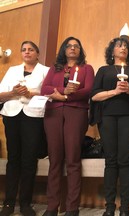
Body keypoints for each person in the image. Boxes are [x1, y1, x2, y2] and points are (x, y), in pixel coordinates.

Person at [90, 37, 129, 216]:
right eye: (119, 46)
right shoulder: (103, 70)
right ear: (111, 51)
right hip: (107, 116)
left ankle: (125, 208)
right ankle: (109, 207)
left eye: (126, 46)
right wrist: (115, 91)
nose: (123, 48)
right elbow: (94, 96)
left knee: (125, 160)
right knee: (111, 161)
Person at [41, 36, 94, 216]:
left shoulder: (87, 68)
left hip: (76, 112)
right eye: (69, 46)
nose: (73, 48)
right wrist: (63, 92)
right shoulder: (54, 69)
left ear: (80, 50)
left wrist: (73, 93)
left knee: (72, 159)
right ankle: (52, 206)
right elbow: (45, 89)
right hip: (53, 112)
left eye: (76, 46)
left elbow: (88, 90)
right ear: (64, 49)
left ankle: (72, 207)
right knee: (54, 160)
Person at [0, 41, 49, 216]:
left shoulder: (46, 71)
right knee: (13, 159)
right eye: (24, 50)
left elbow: (50, 95)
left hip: (34, 117)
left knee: (29, 160)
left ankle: (26, 203)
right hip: (11, 114)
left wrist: (31, 93)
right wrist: (14, 93)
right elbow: (0, 94)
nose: (27, 52)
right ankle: (8, 203)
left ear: (37, 53)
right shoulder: (12, 70)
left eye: (31, 50)